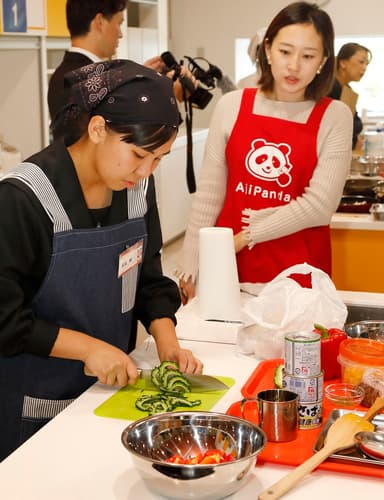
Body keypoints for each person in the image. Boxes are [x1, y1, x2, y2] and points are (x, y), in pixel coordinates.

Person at [0, 59, 203, 461]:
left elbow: (147, 276)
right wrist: (89, 348)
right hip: (33, 405)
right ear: (97, 129)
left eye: (158, 159)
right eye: (138, 155)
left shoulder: (135, 191)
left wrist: (168, 342)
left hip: (107, 394)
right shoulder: (22, 198)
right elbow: (5, 319)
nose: (145, 171)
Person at [175, 1, 353, 303]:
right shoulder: (231, 105)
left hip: (299, 277)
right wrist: (190, 265)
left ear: (323, 61)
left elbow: (319, 205)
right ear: (267, 49)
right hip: (229, 270)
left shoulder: (335, 115)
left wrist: (247, 235)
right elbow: (209, 195)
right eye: (285, 51)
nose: (294, 65)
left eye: (308, 56)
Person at [48, 0, 192, 141]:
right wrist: (171, 97)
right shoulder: (89, 81)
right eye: (118, 23)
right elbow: (137, 142)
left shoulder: (65, 75)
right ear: (100, 22)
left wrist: (139, 79)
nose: (120, 34)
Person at [328, 42, 372, 151]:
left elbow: (355, 124)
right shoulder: (328, 88)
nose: (364, 67)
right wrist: (354, 142)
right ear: (343, 63)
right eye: (361, 62)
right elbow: (333, 128)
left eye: (366, 64)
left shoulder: (347, 91)